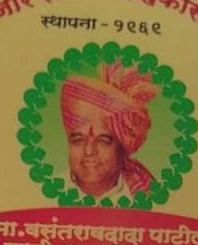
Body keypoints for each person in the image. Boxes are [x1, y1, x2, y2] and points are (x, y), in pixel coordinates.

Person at [59, 61, 158, 199]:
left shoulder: (143, 196)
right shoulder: (49, 192)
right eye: (78, 139)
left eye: (103, 140)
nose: (89, 151)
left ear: (122, 149)